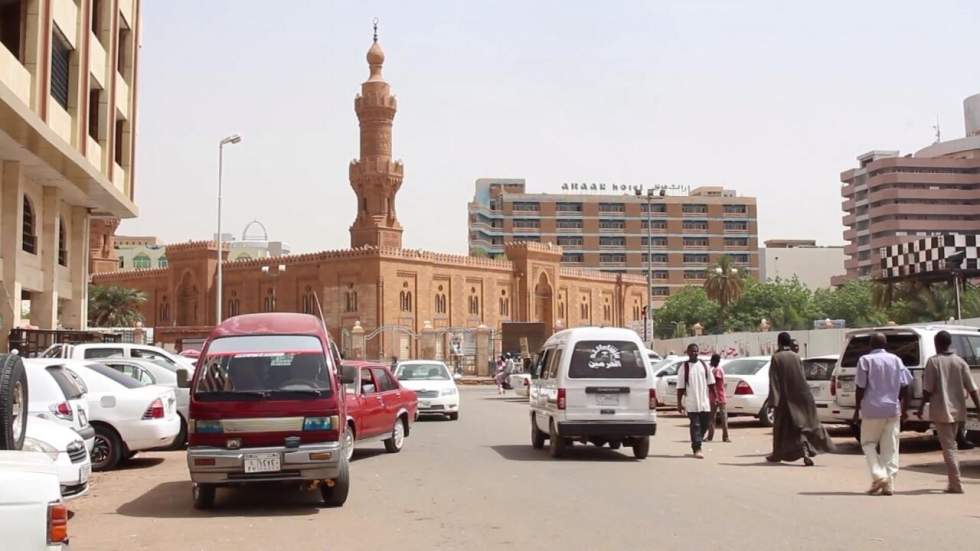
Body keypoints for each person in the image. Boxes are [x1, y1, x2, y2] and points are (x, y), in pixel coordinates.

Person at [917, 330, 980, 494]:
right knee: (953, 445)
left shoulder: (933, 362)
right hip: (958, 410)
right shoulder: (960, 362)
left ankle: (956, 483)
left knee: (949, 447)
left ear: (937, 344)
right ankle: (954, 482)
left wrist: (920, 406)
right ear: (949, 343)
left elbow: (927, 389)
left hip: (941, 410)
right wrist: (978, 408)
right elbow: (972, 389)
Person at [855, 332, 912, 495]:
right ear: (885, 345)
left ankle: (879, 475)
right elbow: (906, 385)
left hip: (871, 409)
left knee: (868, 444)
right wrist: (904, 408)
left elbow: (860, 387)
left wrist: (856, 409)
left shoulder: (865, 360)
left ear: (870, 345)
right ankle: (889, 485)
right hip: (892, 409)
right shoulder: (896, 360)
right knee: (891, 448)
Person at [768, 332, 835, 466]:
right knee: (802, 427)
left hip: (785, 400)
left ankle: (777, 454)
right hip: (801, 397)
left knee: (781, 428)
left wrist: (773, 402)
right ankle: (805, 452)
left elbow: (774, 381)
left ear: (779, 342)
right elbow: (802, 378)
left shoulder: (776, 358)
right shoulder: (796, 357)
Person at [676, 343, 714, 458]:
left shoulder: (704, 365)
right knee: (695, 425)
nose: (694, 353)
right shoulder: (684, 367)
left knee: (706, 424)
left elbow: (711, 383)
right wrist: (679, 403)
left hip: (704, 401)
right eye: (692, 351)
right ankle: (697, 448)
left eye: (696, 351)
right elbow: (681, 387)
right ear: (687, 352)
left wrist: (715, 398)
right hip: (691, 402)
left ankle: (698, 440)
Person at [706, 353, 730, 443]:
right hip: (721, 396)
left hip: (715, 397)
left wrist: (716, 396)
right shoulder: (720, 370)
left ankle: (710, 437)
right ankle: (725, 437)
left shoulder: (716, 370)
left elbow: (713, 385)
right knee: (723, 417)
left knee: (712, 418)